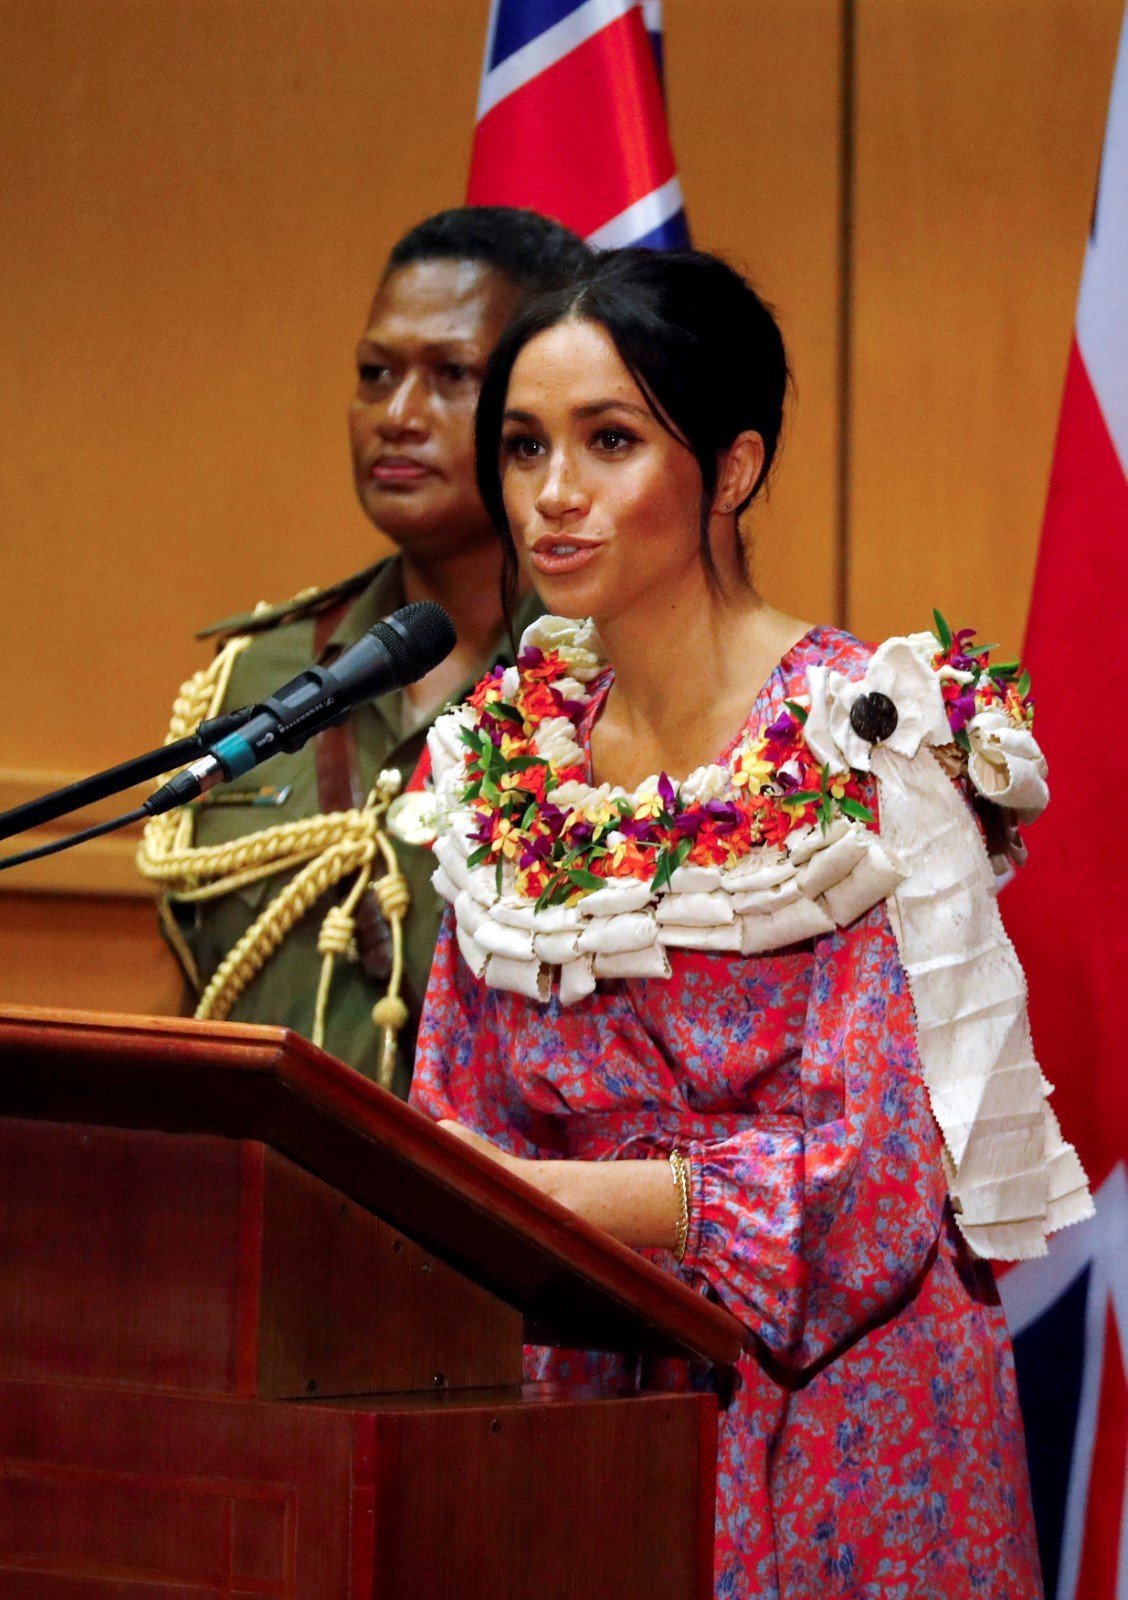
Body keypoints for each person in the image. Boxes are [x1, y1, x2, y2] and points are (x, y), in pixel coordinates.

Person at [410, 248, 1093, 1596]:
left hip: (842, 1414)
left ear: (730, 469)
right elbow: (448, 1108)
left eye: (610, 442)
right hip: (579, 1397)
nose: (552, 496)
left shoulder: (870, 740)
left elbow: (876, 1188)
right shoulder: (503, 753)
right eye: (525, 446)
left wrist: (544, 1202)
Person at [137, 207, 590, 1095]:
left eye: (452, 374)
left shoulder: (614, 685)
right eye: (375, 375)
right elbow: (195, 982)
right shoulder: (256, 675)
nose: (398, 415)